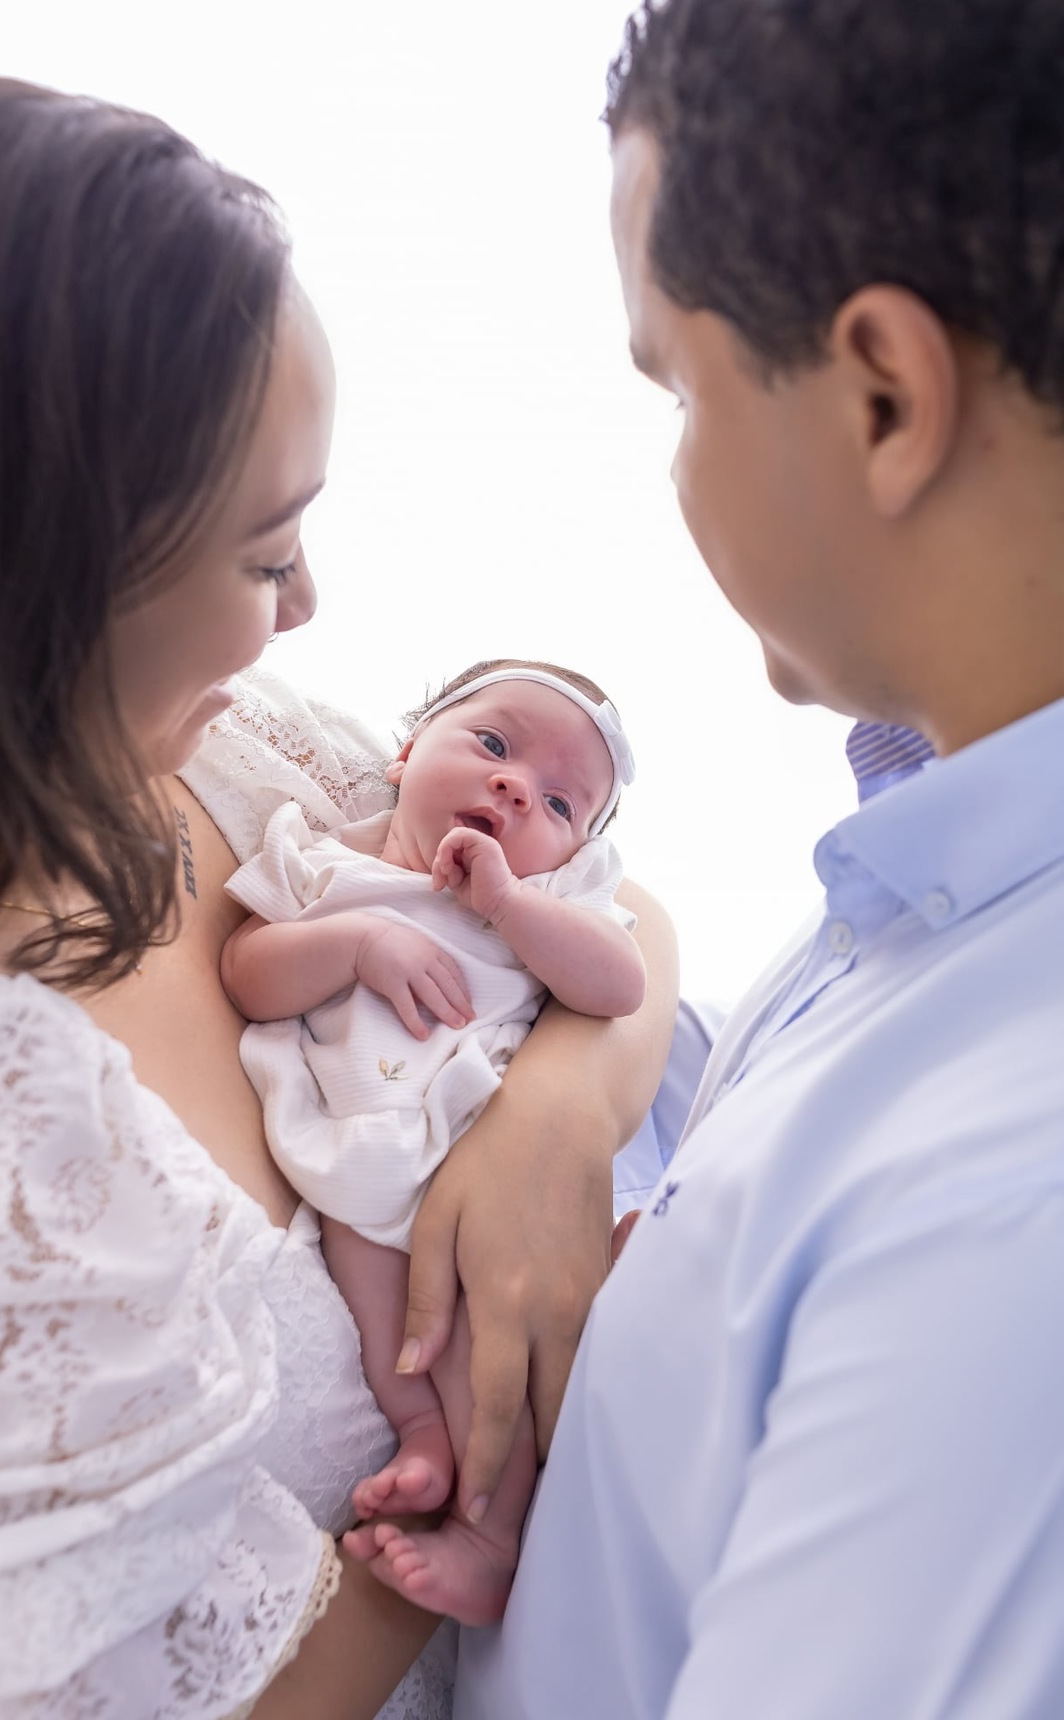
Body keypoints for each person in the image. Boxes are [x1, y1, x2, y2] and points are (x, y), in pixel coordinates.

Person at [0, 77, 679, 1719]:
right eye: (262, 553)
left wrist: (556, 1120)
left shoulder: (242, 770)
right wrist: (485, 1480)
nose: (308, 603)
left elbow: (623, 905)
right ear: (47, 576)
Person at [456, 0, 1064, 1714]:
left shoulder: (1007, 1218)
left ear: (884, 394)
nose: (677, 470)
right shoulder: (927, 866)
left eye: (680, 389)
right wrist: (573, 1090)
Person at [220, 661, 645, 1626]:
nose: (513, 787)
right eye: (494, 746)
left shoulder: (550, 903)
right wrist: (357, 943)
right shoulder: (329, 860)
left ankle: (492, 1537)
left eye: (559, 802)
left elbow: (618, 985)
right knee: (387, 1311)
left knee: (480, 1328)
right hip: (357, 1137)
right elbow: (247, 972)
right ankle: (421, 1441)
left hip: (480, 1138)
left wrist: (506, 907)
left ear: (573, 852)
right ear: (407, 751)